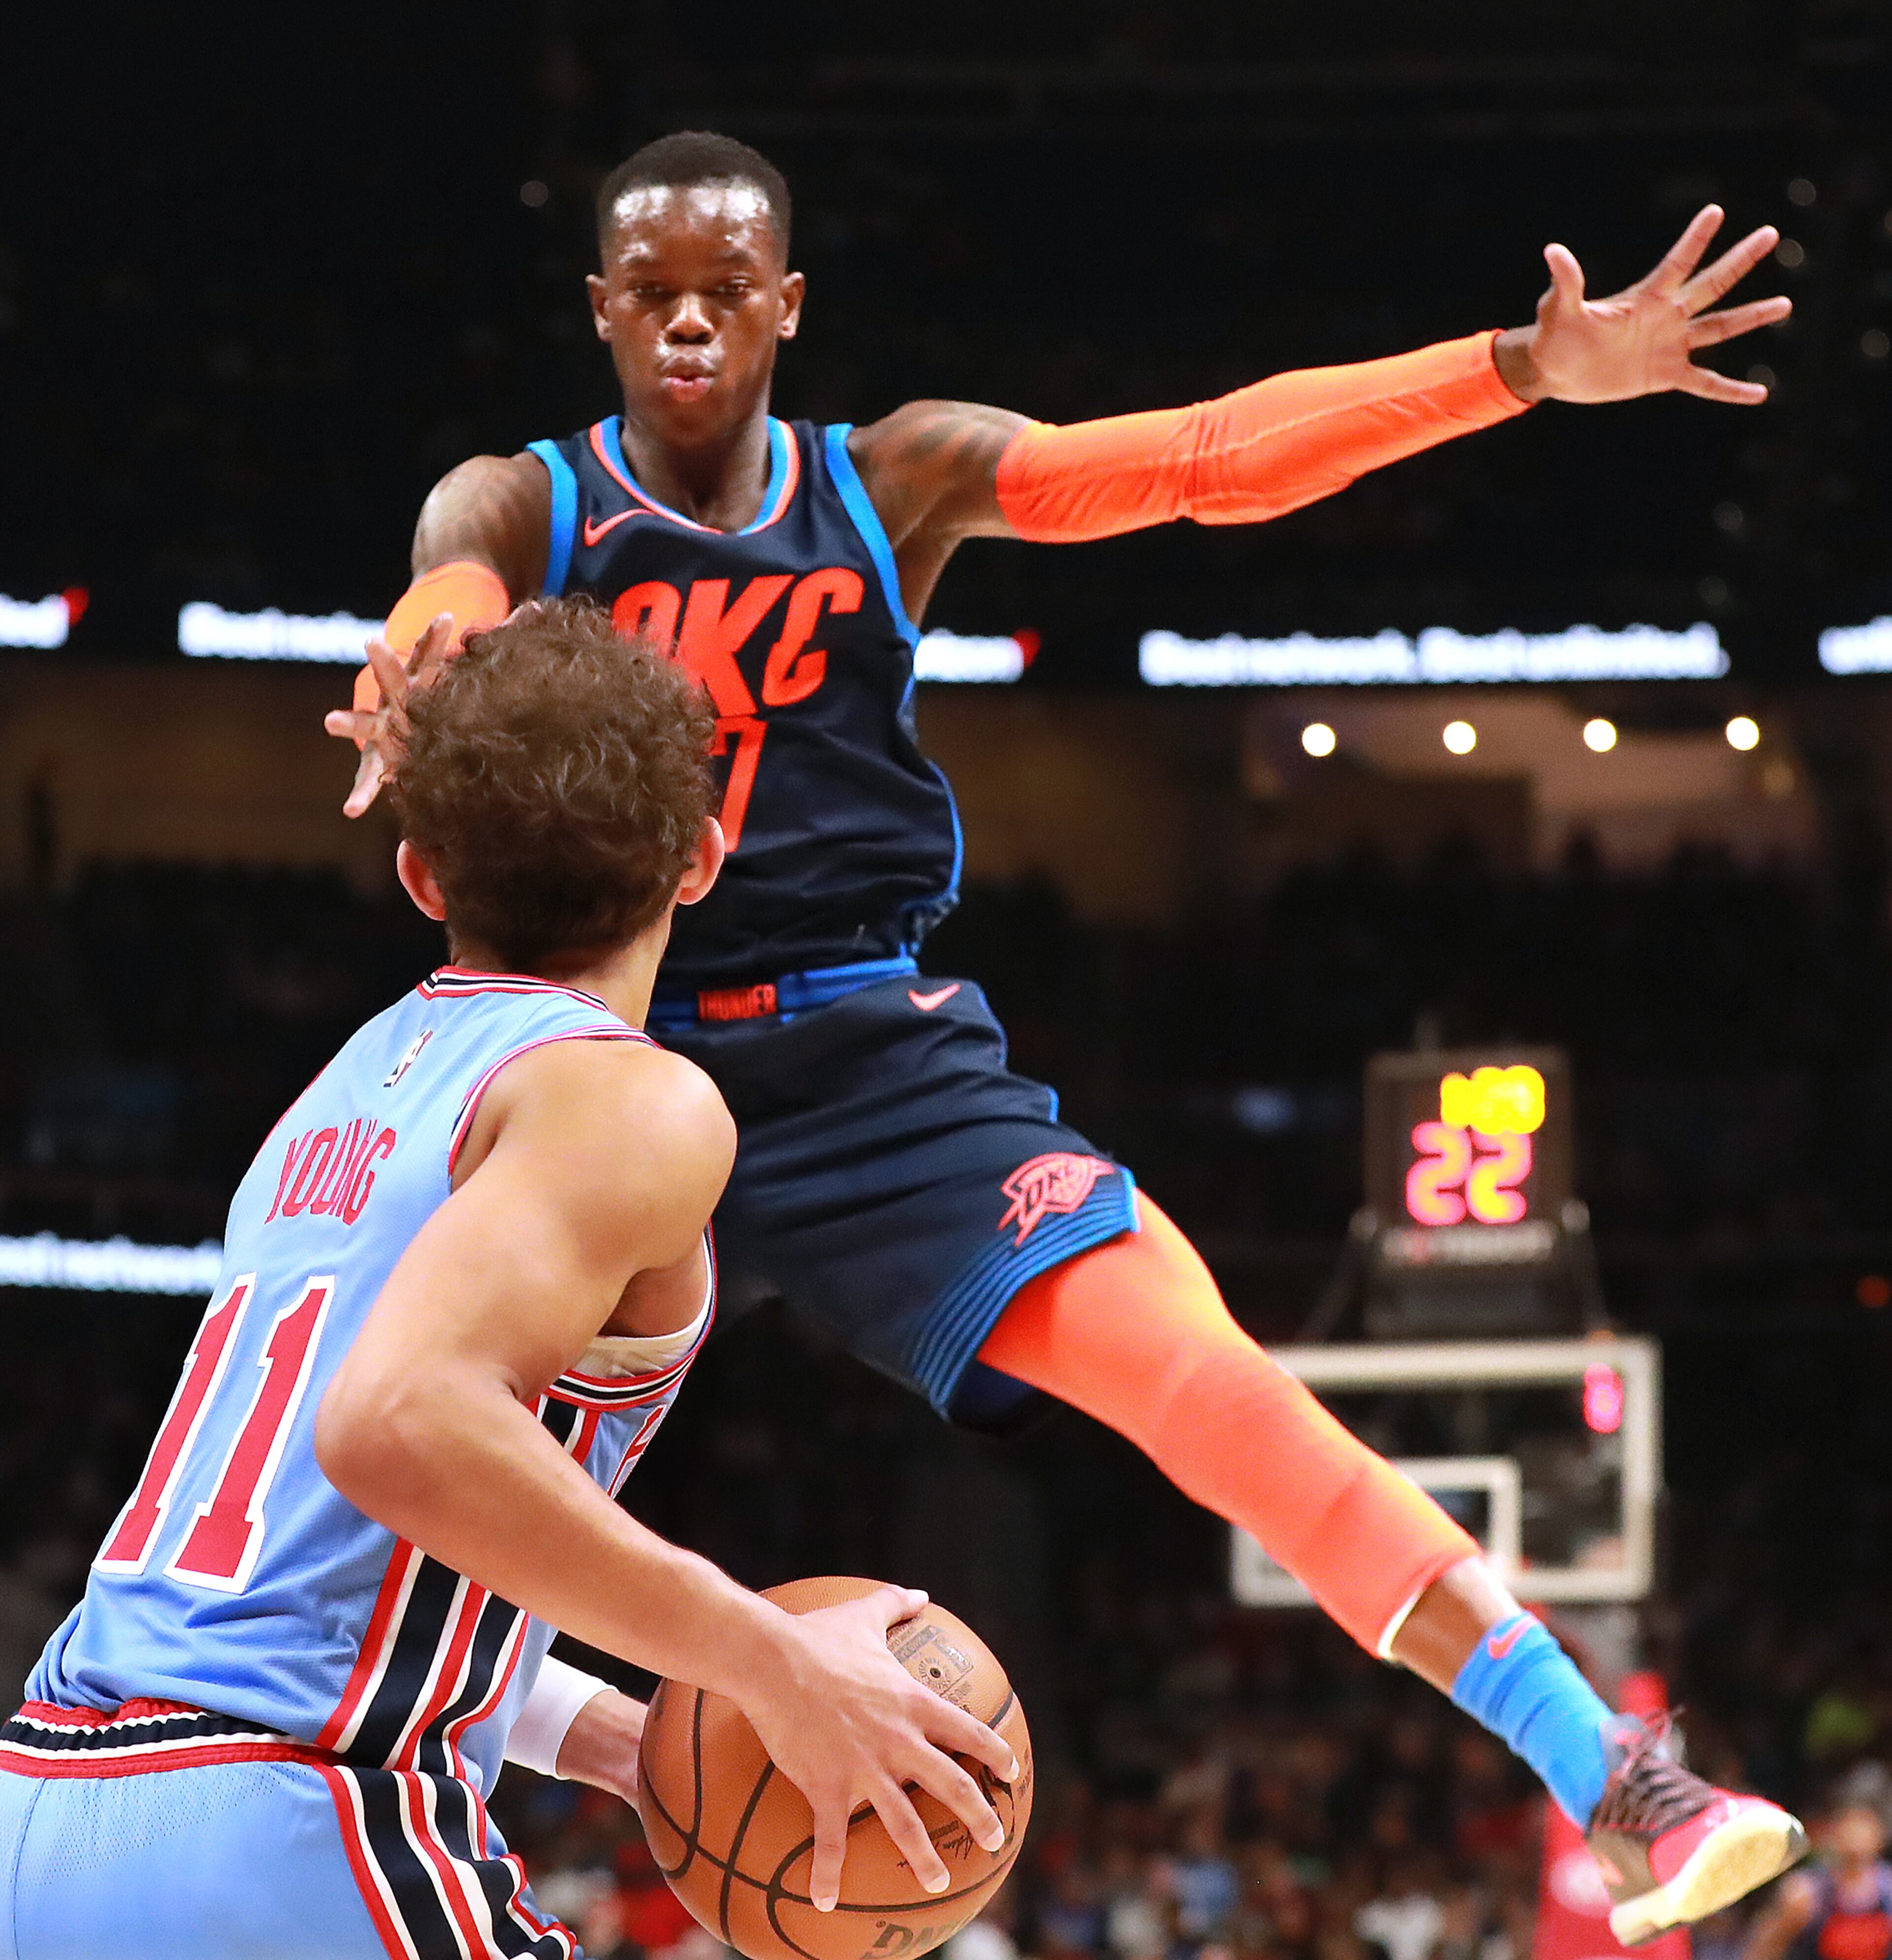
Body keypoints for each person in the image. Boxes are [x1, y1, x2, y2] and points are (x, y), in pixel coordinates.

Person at [328, 131, 1802, 1939]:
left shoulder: (891, 476)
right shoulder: (517, 503)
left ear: (790, 303)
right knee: (376, 1424)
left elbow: (1200, 462)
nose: (691, 322)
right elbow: (446, 602)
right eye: (654, 292)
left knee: (1208, 1378)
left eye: (729, 288)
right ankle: (258, 1778)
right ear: (601, 309)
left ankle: (1618, 1774)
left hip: (864, 1056)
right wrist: (415, 659)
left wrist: (1515, 368)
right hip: (591, 1048)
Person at [1, 600, 1018, 1959]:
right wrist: (771, 1661)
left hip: (54, 1806)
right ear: (706, 858)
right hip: (303, 1813)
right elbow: (400, 1424)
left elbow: (311, 1560)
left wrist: (623, 1734)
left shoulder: (333, 1096)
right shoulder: (629, 1098)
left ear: (423, 877)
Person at [1744, 1802, 1892, 1960]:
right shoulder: (1805, 1892)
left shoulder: (1888, 1890)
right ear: (1834, 1833)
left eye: (1864, 1827)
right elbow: (1765, 1948)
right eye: (1850, 1826)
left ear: (1880, 1836)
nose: (1856, 1836)